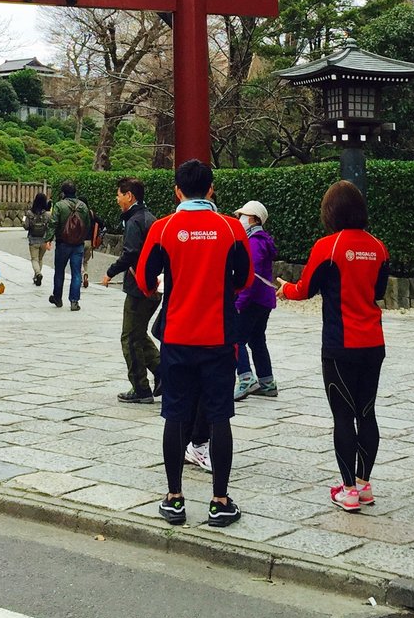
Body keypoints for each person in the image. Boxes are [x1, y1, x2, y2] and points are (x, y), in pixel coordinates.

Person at [136, 159, 250, 528]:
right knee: (219, 417)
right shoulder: (232, 228)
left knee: (175, 414)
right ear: (212, 190)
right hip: (219, 337)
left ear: (177, 191)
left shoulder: (163, 228)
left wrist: (158, 289)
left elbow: (143, 279)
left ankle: (174, 499)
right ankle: (219, 501)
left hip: (177, 336)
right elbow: (245, 278)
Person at [278, 180, 389, 513]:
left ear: (330, 212)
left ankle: (349, 491)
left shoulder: (328, 246)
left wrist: (286, 289)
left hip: (340, 345)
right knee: (367, 413)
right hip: (373, 342)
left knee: (343, 416)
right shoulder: (378, 247)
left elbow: (306, 288)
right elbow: (379, 291)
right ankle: (364, 484)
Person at [99, 177, 160, 403]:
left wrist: (111, 271)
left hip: (139, 287)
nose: (117, 199)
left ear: (129, 196)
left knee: (130, 337)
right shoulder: (150, 218)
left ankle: (140, 388)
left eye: (119, 194)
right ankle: (163, 374)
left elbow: (130, 253)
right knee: (138, 333)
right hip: (154, 285)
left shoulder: (134, 221)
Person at [232, 200, 279, 400]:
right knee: (257, 339)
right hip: (264, 300)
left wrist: (239, 303)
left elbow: (251, 275)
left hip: (252, 299)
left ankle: (246, 378)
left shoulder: (253, 242)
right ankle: (267, 382)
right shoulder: (263, 239)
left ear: (252, 219)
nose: (239, 219)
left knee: (236, 338)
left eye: (242, 215)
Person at [49, 181, 92, 311]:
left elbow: (53, 223)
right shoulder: (83, 206)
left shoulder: (59, 205)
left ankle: (57, 297)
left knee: (59, 271)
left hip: (63, 243)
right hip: (78, 244)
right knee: (76, 273)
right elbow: (88, 224)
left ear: (63, 192)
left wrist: (48, 239)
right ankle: (74, 301)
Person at [24, 191, 52, 286]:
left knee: (34, 259)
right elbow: (50, 227)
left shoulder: (29, 213)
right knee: (40, 258)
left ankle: (38, 273)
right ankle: (36, 276)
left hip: (33, 238)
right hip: (43, 239)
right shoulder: (48, 215)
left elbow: (26, 226)